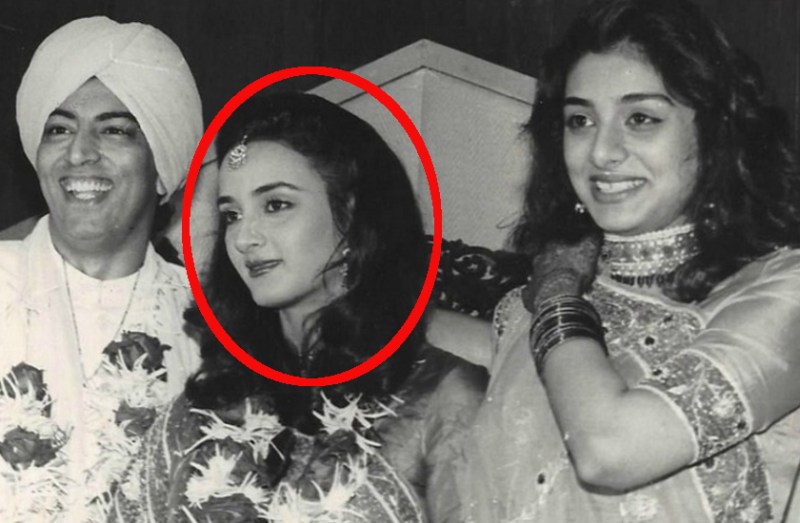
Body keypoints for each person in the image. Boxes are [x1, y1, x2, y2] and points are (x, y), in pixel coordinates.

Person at [453, 0, 800, 521]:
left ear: (715, 134)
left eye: (640, 118)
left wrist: (558, 291)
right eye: (580, 120)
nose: (601, 152)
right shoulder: (525, 314)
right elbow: (448, 350)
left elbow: (610, 450)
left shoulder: (783, 289)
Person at [110, 92, 487, 522]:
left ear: (350, 214)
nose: (244, 238)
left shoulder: (441, 397)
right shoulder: (204, 406)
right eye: (232, 215)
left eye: (275, 205)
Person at [0, 17, 203, 521]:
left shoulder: (211, 324)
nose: (79, 153)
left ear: (162, 171)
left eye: (114, 130)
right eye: (59, 129)